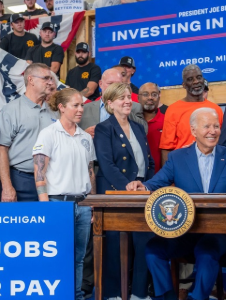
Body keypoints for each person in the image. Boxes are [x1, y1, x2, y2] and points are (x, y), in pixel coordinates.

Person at [127, 108, 226, 300]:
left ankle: (197, 298)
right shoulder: (177, 158)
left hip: (222, 232)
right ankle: (166, 297)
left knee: (206, 251)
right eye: (207, 126)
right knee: (152, 250)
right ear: (193, 131)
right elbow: (156, 183)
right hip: (186, 230)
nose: (213, 130)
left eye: (216, 126)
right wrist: (141, 186)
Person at [94, 83, 155, 300]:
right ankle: (113, 294)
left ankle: (139, 293)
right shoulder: (103, 128)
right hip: (115, 192)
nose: (128, 101)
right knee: (114, 245)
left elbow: (149, 162)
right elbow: (106, 164)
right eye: (121, 98)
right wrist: (127, 186)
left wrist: (147, 185)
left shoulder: (138, 127)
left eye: (129, 97)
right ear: (110, 103)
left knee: (143, 242)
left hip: (140, 193)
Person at [32, 88, 95, 300]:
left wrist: (92, 203)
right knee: (58, 256)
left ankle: (75, 295)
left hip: (84, 204)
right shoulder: (48, 134)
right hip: (58, 204)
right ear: (61, 107)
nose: (80, 109)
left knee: (79, 258)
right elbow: (39, 172)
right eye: (75, 105)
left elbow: (90, 172)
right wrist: (46, 205)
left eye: (82, 105)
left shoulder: (86, 136)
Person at [0, 63, 57, 202]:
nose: (50, 82)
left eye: (51, 79)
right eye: (46, 78)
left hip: (52, 180)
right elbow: (1, 149)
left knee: (50, 223)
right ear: (31, 80)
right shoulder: (11, 110)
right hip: (21, 180)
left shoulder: (56, 111)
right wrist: (7, 187)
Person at [160, 64, 223, 165]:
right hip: (183, 166)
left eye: (199, 77)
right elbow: (166, 148)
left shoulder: (216, 110)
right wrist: (168, 178)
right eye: (190, 79)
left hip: (212, 166)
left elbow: (221, 143)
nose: (196, 81)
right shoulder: (173, 110)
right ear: (184, 85)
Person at [79, 68, 147, 137]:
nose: (114, 88)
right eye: (110, 83)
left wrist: (126, 111)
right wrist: (84, 134)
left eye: (117, 84)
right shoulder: (85, 109)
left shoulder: (134, 107)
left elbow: (144, 131)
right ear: (100, 84)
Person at [139, 82, 165, 172]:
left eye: (154, 94)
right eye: (145, 94)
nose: (150, 97)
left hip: (160, 179)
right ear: (138, 97)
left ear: (159, 97)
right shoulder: (130, 121)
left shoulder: (167, 121)